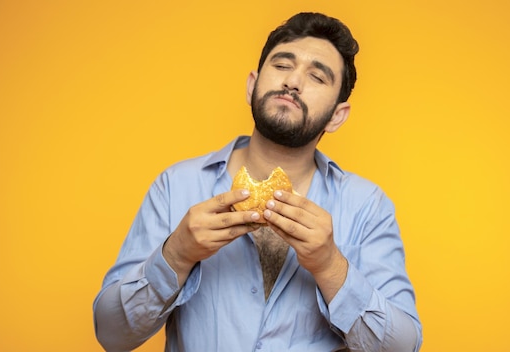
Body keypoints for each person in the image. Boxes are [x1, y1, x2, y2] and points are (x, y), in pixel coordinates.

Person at [94, 12, 422, 352]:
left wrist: (330, 266)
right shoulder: (176, 185)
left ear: (337, 116)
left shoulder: (367, 206)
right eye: (282, 65)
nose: (293, 81)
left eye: (317, 77)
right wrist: (177, 254)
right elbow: (112, 335)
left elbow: (401, 347)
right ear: (253, 84)